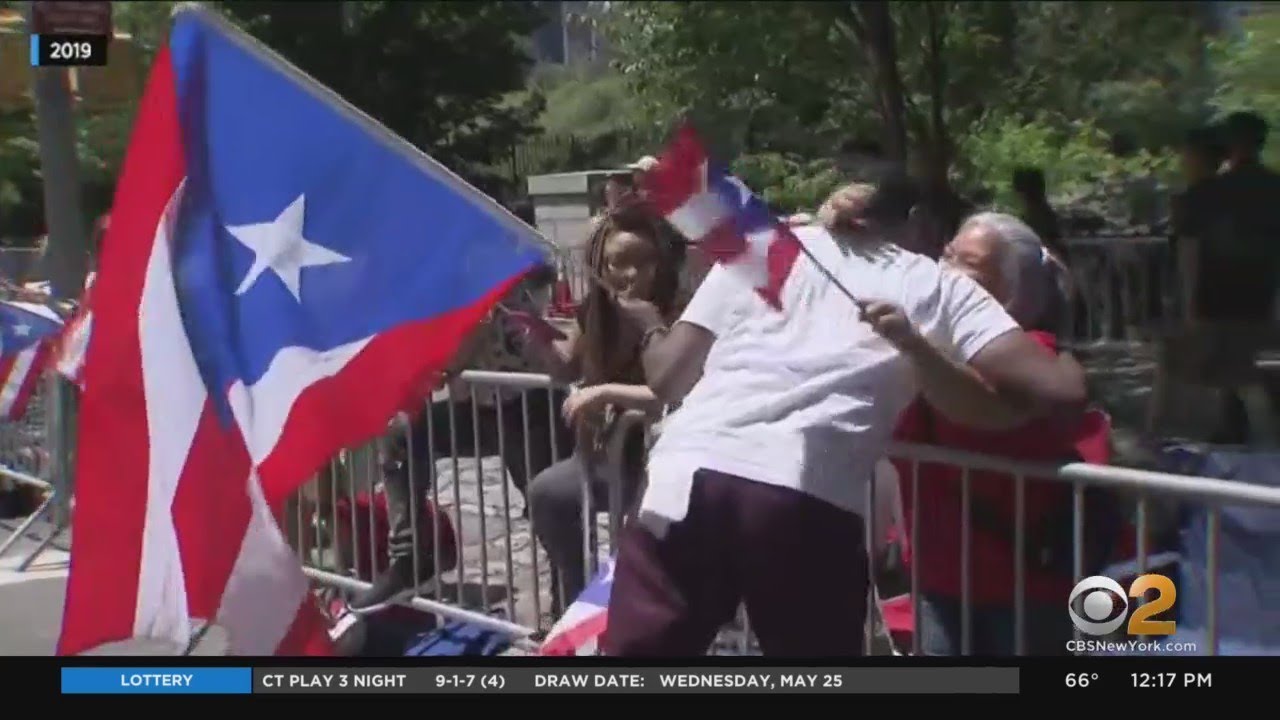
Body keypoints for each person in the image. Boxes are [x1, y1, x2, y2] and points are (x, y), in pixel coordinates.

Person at [600, 176, 1087, 657]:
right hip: (803, 494)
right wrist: (1061, 346)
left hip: (680, 478)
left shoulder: (760, 248)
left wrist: (649, 328)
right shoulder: (935, 285)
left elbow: (668, 377)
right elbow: (1061, 392)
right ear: (920, 222)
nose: (947, 254)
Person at [890, 212, 1110, 656]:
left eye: (966, 263)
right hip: (940, 580)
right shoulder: (939, 345)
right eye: (946, 254)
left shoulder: (1036, 357)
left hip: (1020, 587)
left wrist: (915, 347)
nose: (944, 270)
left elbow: (972, 415)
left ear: (1013, 289)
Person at [347, 262, 574, 613]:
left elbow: (562, 366)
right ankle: (412, 557)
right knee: (403, 433)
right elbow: (440, 370)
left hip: (529, 409)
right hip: (477, 409)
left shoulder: (509, 305)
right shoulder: (447, 296)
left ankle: (569, 600)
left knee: (546, 504)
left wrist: (526, 328)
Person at [525, 202, 682, 607]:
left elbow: (673, 391)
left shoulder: (681, 313)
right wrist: (534, 329)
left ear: (660, 263)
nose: (630, 274)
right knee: (546, 494)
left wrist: (605, 391)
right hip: (598, 455)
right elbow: (565, 367)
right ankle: (580, 600)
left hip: (660, 461)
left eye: (642, 262)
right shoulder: (595, 308)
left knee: (645, 543)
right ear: (603, 268)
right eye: (617, 263)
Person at [1173, 112, 1280, 442]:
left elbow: (1190, 250)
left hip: (1217, 294)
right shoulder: (1275, 187)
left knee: (1226, 369)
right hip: (1264, 291)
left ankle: (1236, 430)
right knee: (1260, 363)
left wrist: (1188, 302)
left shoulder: (1205, 193)